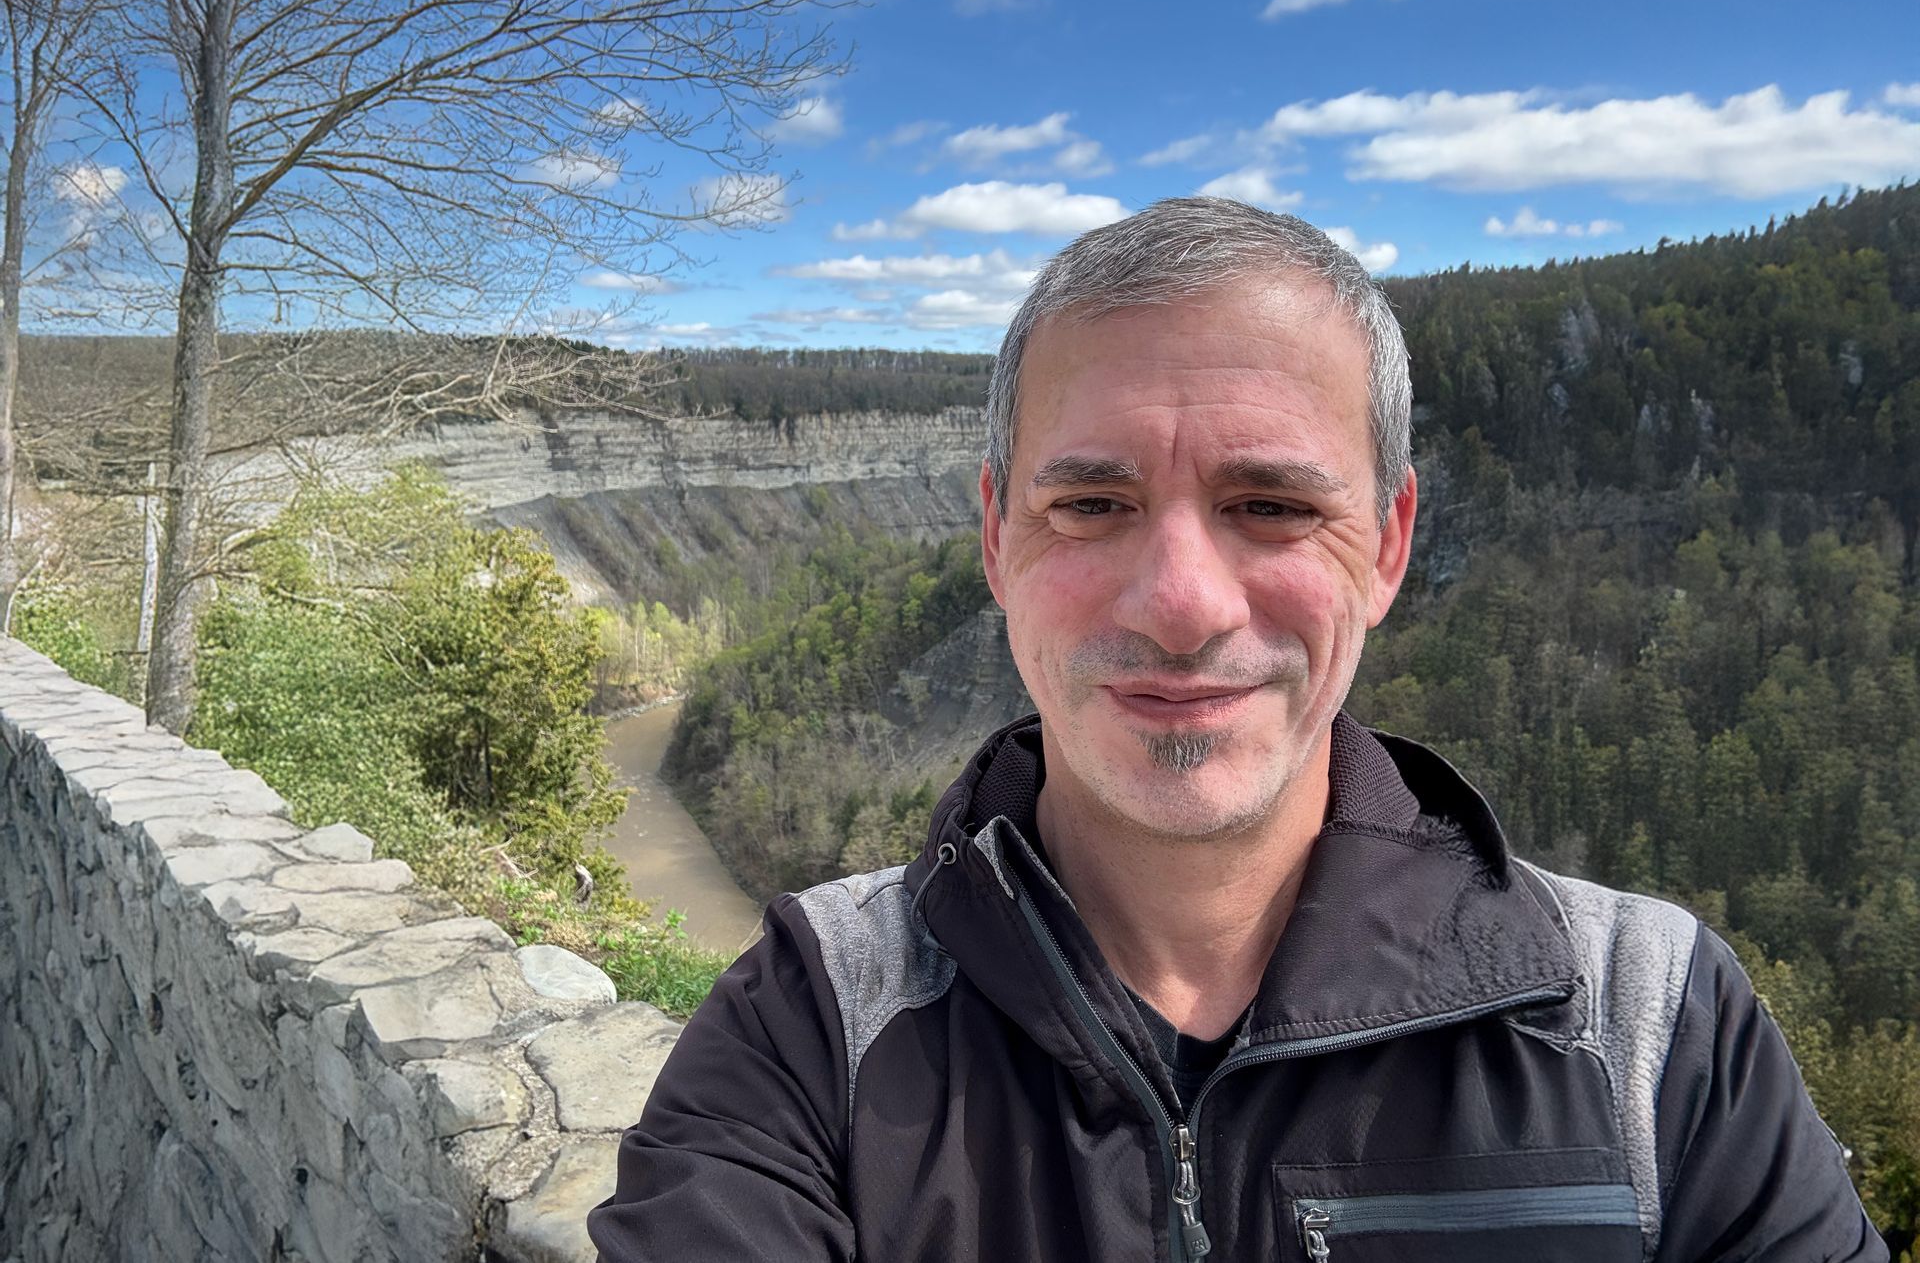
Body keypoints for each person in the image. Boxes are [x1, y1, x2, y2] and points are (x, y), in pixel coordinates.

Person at [588, 198, 1885, 1262]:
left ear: (1389, 544)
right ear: (995, 538)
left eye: (1270, 505)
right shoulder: (813, 1024)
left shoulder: (1655, 1030)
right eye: (1093, 504)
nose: (1181, 604)